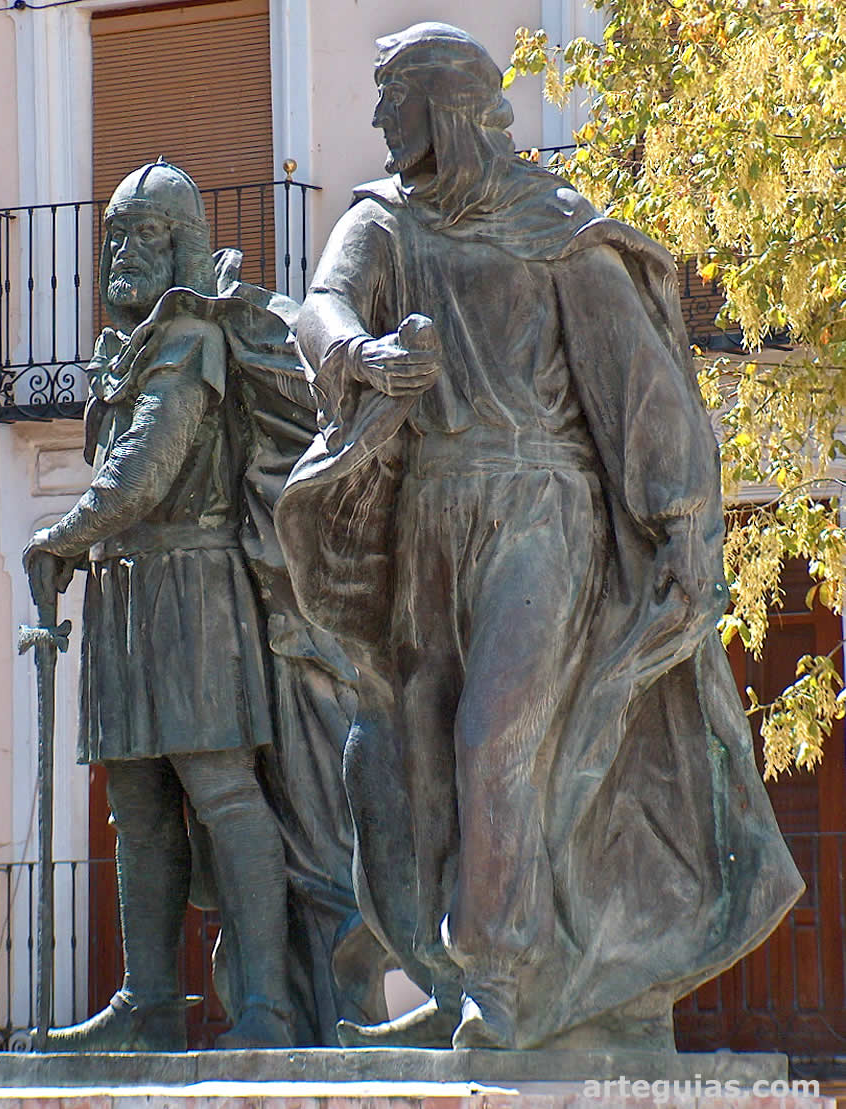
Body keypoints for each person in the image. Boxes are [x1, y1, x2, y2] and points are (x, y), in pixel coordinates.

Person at [275, 23, 804, 1052]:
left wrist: (687, 531)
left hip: (543, 512)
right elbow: (323, 304)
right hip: (428, 516)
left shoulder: (555, 230)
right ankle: (448, 969)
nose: (379, 122)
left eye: (393, 100)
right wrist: (364, 352)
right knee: (425, 753)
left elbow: (645, 395)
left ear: (441, 105)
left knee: (495, 733)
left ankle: (505, 978)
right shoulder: (385, 219)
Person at [23, 160, 388, 1051]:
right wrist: (80, 544)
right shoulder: (132, 351)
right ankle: (149, 1002)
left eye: (141, 234)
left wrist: (59, 536)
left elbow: (143, 469)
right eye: (112, 234)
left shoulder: (187, 342)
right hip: (129, 595)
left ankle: (265, 1003)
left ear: (181, 243)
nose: (119, 251)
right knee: (138, 806)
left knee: (221, 791)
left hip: (195, 591)